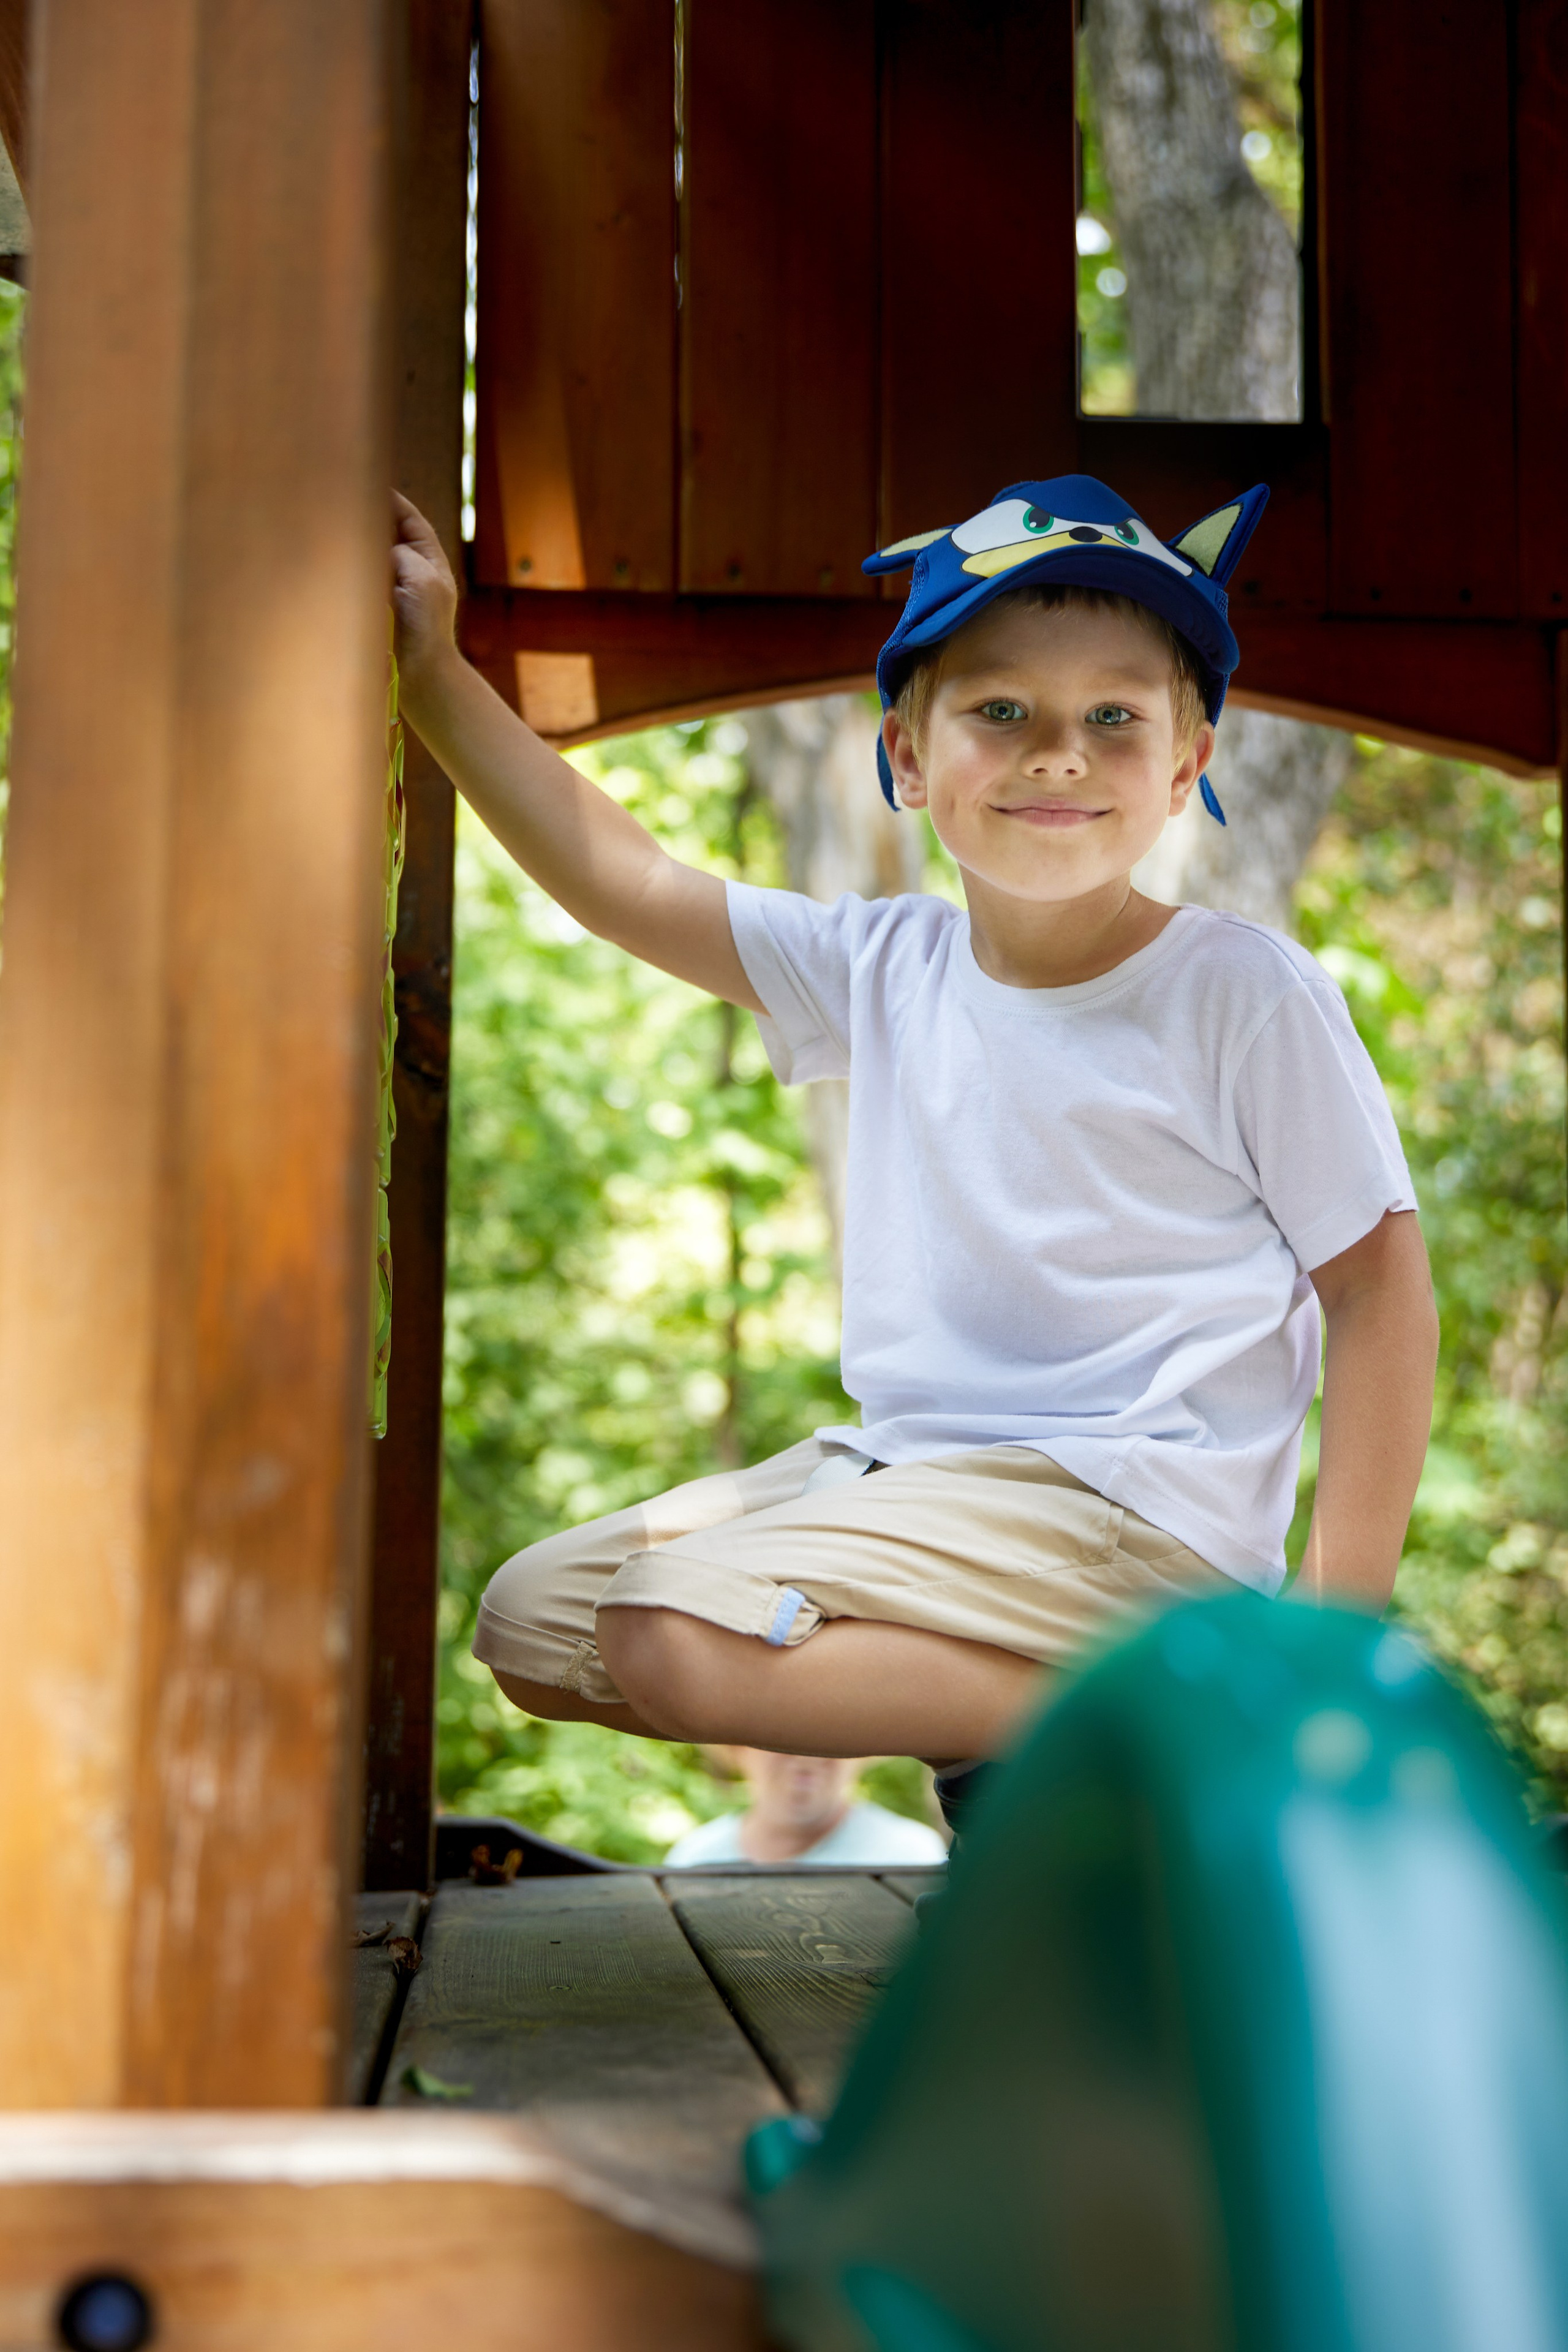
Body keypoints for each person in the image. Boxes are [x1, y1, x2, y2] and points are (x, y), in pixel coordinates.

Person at [391, 470, 1438, 1841]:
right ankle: (1095, 1725)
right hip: (917, 1481)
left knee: (663, 1629)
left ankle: (1187, 1716)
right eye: (999, 712)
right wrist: (431, 677)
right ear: (904, 754)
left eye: (1112, 719)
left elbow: (1378, 1294)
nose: (1055, 753)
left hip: (1124, 1508)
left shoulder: (1241, 996)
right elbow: (625, 881)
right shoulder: (881, 964)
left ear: (1184, 770)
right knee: (536, 1623)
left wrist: (1330, 1636)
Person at [663, 1751, 948, 1868]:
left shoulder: (911, 1854)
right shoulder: (696, 1856)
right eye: (778, 1737)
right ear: (738, 1749)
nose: (805, 1757)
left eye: (832, 1740)